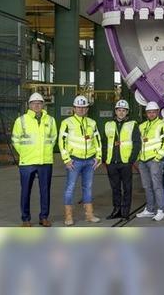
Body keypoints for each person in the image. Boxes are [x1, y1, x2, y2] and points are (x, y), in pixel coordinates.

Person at [11, 92, 57, 227]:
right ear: (29, 105)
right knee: (25, 191)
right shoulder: (21, 120)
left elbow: (53, 138)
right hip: (27, 162)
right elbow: (15, 139)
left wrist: (46, 151)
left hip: (45, 161)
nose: (37, 105)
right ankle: (25, 219)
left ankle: (44, 217)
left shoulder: (50, 120)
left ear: (43, 105)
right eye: (34, 103)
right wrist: (24, 153)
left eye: (39, 103)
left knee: (45, 191)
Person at [59, 95, 102, 226]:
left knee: (88, 188)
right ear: (74, 108)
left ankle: (89, 215)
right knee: (70, 188)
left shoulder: (92, 123)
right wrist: (66, 159)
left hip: (89, 161)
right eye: (79, 107)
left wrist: (98, 156)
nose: (81, 110)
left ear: (87, 109)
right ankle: (68, 216)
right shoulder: (67, 123)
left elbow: (97, 140)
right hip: (74, 161)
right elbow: (62, 142)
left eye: (84, 107)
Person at [103, 99, 141, 220]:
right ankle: (116, 210)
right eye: (119, 110)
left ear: (127, 112)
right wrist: (105, 159)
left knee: (127, 188)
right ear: (115, 111)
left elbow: (137, 143)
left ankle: (125, 212)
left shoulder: (133, 124)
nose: (121, 113)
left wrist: (131, 160)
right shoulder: (108, 124)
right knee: (115, 189)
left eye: (123, 110)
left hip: (125, 162)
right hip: (112, 163)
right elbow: (104, 143)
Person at [135, 101, 164, 221]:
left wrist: (158, 157)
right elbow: (139, 143)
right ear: (146, 113)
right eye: (149, 112)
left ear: (157, 112)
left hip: (154, 160)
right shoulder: (142, 126)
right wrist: (138, 158)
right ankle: (149, 209)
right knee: (147, 186)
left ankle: (161, 210)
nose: (151, 114)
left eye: (153, 112)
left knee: (157, 186)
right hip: (143, 161)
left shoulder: (163, 125)